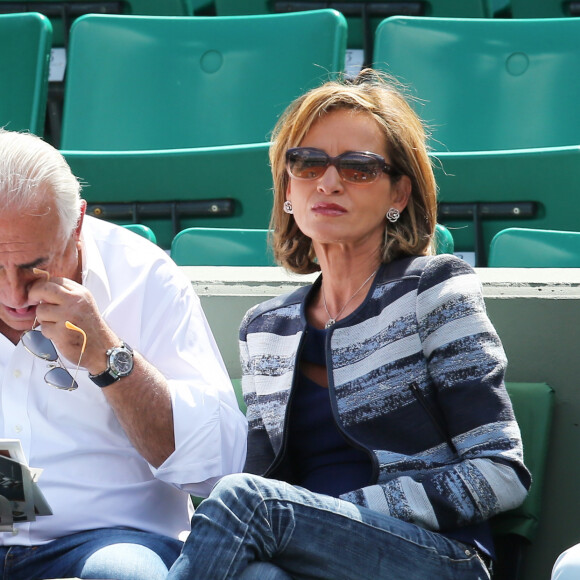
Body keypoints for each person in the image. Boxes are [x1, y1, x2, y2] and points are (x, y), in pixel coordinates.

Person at [167, 69, 531, 580]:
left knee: (242, 500)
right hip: (306, 548)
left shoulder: (434, 290)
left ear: (398, 195)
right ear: (287, 188)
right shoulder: (265, 328)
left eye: (358, 168)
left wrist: (344, 508)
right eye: (307, 162)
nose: (328, 181)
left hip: (436, 556)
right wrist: (306, 517)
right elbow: (267, 476)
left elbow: (501, 473)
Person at [0, 128, 247, 579]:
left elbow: (219, 467)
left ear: (75, 225)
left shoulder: (143, 275)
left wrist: (108, 357)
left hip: (112, 539)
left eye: (33, 267)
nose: (15, 295)